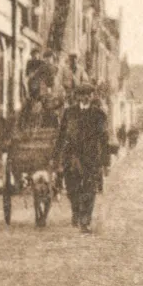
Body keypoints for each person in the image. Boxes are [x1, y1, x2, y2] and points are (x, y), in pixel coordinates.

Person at [58, 89, 109, 231]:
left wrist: (105, 162)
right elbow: (61, 136)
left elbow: (104, 139)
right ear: (77, 96)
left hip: (91, 157)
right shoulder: (69, 113)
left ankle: (85, 220)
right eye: (82, 94)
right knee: (72, 188)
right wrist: (57, 156)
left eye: (88, 94)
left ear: (92, 96)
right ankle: (76, 211)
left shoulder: (99, 115)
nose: (85, 97)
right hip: (72, 156)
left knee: (90, 189)